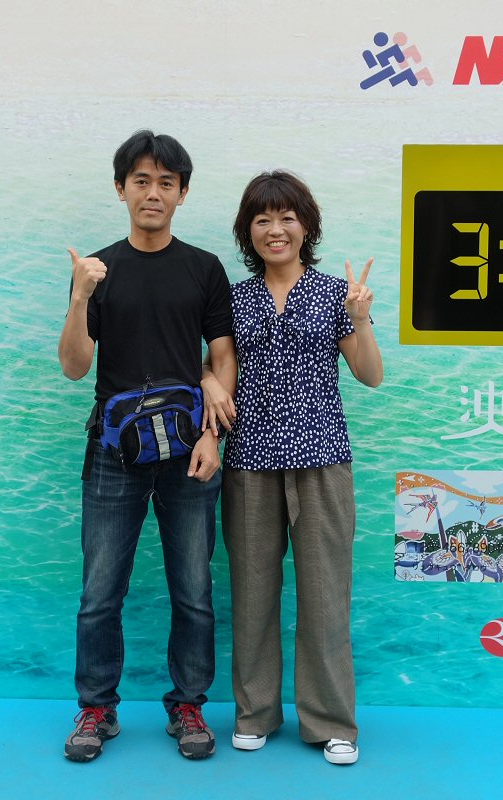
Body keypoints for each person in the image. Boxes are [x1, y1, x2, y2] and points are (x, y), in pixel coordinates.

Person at [57, 130, 236, 762]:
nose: (152, 193)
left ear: (182, 193)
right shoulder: (97, 270)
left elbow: (222, 357)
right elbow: (74, 366)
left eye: (166, 183)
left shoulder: (204, 268)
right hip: (114, 453)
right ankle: (96, 709)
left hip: (189, 450)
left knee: (193, 590)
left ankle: (188, 704)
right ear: (120, 189)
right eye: (141, 181)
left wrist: (213, 435)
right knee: (100, 592)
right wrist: (81, 295)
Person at [200, 170, 383, 765]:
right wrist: (204, 380)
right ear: (247, 231)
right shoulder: (233, 297)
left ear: (307, 226)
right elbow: (212, 363)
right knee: (252, 594)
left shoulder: (334, 294)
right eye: (262, 219)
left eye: (286, 218)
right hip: (249, 459)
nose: (275, 229)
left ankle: (331, 722)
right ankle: (254, 712)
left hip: (322, 459)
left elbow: (370, 375)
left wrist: (358, 318)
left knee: (326, 596)